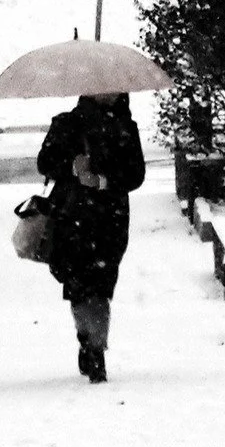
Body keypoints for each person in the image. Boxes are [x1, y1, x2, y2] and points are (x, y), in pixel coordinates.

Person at [36, 92, 146, 383]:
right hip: (72, 216)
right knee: (77, 284)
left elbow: (135, 175)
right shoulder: (66, 124)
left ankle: (96, 348)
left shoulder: (126, 128)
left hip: (110, 219)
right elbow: (45, 163)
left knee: (100, 284)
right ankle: (87, 338)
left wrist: (102, 180)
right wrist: (71, 168)